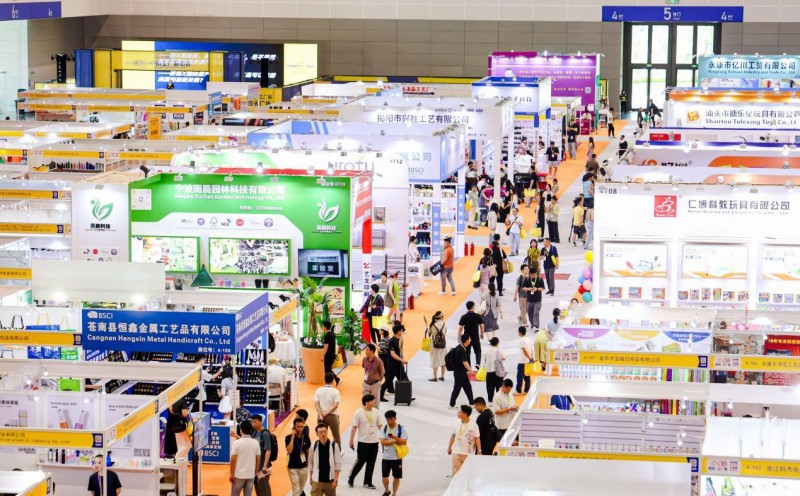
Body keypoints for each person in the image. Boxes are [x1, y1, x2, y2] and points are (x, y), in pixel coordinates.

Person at [347, 394, 383, 489]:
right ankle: (351, 477)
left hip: (374, 442)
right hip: (362, 442)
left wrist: (384, 437)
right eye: (372, 401)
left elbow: (380, 426)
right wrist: (351, 440)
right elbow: (354, 427)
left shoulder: (376, 412)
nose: (374, 402)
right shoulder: (358, 413)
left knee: (371, 463)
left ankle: (367, 482)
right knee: (360, 461)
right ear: (366, 402)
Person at [309, 423, 342, 496]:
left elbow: (338, 465)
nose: (323, 434)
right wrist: (311, 477)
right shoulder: (313, 446)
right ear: (317, 434)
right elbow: (310, 463)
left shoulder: (334, 445)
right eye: (320, 432)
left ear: (327, 431)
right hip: (317, 481)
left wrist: (336, 479)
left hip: (330, 481)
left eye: (325, 431)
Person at [379, 410, 407, 496]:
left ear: (395, 418)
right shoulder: (384, 429)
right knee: (384, 477)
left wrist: (394, 438)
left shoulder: (401, 429)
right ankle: (387, 491)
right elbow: (382, 442)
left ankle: (394, 494)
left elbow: (404, 442)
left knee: (397, 477)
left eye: (391, 419)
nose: (389, 421)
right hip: (386, 457)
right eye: (387, 419)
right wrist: (395, 441)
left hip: (397, 458)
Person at [447, 405, 481, 476]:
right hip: (456, 451)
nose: (458, 413)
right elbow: (453, 436)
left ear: (465, 414)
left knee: (466, 473)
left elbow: (477, 438)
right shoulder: (456, 423)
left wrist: (479, 451)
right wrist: (449, 447)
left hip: (467, 453)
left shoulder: (474, 425)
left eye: (460, 412)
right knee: (456, 472)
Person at [231, 421, 261, 496]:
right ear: (251, 430)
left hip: (239, 475)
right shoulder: (255, 443)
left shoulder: (236, 443)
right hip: (250, 474)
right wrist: (256, 472)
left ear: (241, 430)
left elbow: (233, 459)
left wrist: (231, 473)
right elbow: (258, 459)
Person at [314, 372, 342, 448]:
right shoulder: (336, 391)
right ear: (333, 380)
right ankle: (338, 451)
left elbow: (316, 404)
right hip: (333, 416)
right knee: (336, 436)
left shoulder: (318, 390)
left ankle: (321, 451)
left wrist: (320, 415)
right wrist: (327, 413)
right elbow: (336, 405)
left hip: (321, 416)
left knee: (321, 435)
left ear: (324, 380)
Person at [380, 325, 407, 401]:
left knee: (403, 379)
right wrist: (402, 360)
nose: (402, 332)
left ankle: (406, 395)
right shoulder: (392, 341)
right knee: (388, 381)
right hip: (393, 365)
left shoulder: (397, 340)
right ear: (398, 331)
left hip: (398, 364)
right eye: (401, 330)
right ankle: (380, 395)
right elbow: (393, 354)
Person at [286, 417, 311, 496]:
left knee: (300, 489)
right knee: (296, 489)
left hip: (303, 466)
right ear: (294, 427)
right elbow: (289, 450)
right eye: (298, 427)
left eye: (301, 427)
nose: (300, 429)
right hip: (292, 467)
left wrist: (308, 463)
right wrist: (292, 437)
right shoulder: (288, 438)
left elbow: (307, 450)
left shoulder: (306, 437)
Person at [449, 333, 476, 408]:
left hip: (462, 372)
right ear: (466, 341)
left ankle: (471, 403)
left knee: (468, 387)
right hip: (459, 373)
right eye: (469, 339)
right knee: (457, 389)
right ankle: (452, 404)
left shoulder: (460, 347)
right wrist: (471, 371)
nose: (470, 340)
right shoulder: (461, 350)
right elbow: (465, 362)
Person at [251, 415, 272, 496]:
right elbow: (248, 442)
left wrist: (265, 465)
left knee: (264, 491)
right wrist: (237, 436)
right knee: (258, 491)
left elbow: (268, 450)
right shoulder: (255, 432)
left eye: (255, 422)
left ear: (261, 422)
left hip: (263, 468)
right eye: (252, 422)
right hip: (256, 467)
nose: (253, 424)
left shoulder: (265, 433)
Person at [458, 301, 484, 366]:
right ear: (472, 307)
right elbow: (482, 325)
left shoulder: (464, 317)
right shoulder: (477, 316)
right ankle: (477, 363)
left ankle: (468, 366)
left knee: (467, 352)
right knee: (478, 351)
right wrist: (482, 333)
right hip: (475, 336)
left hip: (466, 337)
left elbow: (460, 327)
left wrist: (459, 337)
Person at [425, 310, 447, 382]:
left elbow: (429, 333)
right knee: (443, 360)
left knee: (435, 360)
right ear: (441, 317)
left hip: (434, 344)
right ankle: (442, 376)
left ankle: (435, 377)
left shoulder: (432, 325)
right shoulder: (444, 324)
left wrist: (426, 326)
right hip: (443, 344)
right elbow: (445, 333)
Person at [483, 337, 506, 403]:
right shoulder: (499, 350)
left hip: (489, 372)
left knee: (490, 388)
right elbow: (504, 358)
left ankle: (490, 401)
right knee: (499, 388)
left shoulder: (486, 351)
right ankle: (499, 401)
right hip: (498, 372)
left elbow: (484, 358)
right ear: (497, 343)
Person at [321, 321, 341, 387]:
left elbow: (326, 347)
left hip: (328, 356)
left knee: (327, 370)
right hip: (332, 355)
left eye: (323, 326)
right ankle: (334, 381)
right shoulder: (332, 333)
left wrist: (322, 356)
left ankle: (335, 380)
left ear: (325, 327)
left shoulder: (327, 335)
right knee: (328, 369)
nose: (322, 327)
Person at [516, 327, 534, 395]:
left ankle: (518, 390)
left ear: (519, 332)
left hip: (522, 361)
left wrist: (529, 357)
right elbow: (532, 349)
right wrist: (531, 357)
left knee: (519, 377)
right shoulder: (528, 339)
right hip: (528, 361)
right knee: (527, 376)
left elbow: (524, 350)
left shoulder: (521, 340)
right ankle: (526, 390)